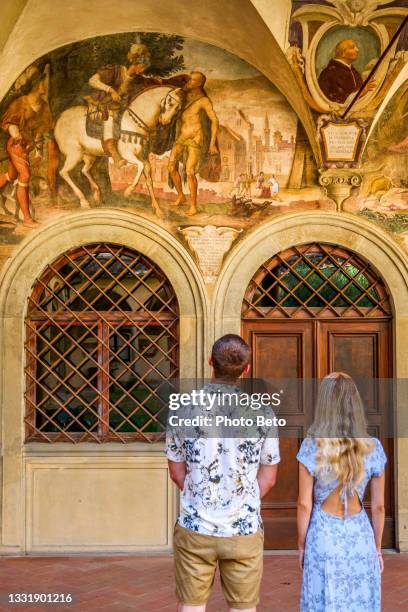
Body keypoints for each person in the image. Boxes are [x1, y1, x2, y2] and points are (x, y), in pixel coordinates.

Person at [166, 334, 280, 612]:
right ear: (247, 368)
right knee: (244, 609)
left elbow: (176, 471)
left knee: (191, 607)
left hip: (195, 527)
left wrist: (202, 495)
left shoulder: (182, 408)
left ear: (210, 363)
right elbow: (269, 477)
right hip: (244, 528)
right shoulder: (263, 412)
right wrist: (241, 498)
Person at [297, 372, 387, 612]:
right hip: (360, 535)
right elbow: (378, 507)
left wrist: (301, 545)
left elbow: (304, 505)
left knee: (323, 600)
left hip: (323, 535)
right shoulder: (373, 447)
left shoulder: (311, 445)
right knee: (360, 601)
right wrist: (377, 548)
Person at [86, 41, 187, 167]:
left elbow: (147, 86)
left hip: (120, 108)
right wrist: (110, 90)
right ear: (136, 64)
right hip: (103, 105)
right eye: (142, 67)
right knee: (110, 119)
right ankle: (115, 156)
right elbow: (92, 81)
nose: (142, 71)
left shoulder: (137, 78)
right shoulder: (115, 70)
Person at [0, 65, 57, 227]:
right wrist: (16, 134)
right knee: (24, 176)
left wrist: (38, 150)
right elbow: (10, 122)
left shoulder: (44, 107)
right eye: (41, 82)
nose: (44, 85)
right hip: (16, 144)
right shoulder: (21, 103)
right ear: (35, 85)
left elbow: (40, 132)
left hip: (28, 146)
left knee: (11, 176)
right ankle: (27, 219)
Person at [168, 71, 220, 216]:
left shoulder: (204, 100)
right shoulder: (184, 97)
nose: (189, 81)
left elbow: (215, 121)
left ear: (199, 84)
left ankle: (193, 206)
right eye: (190, 79)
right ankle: (180, 195)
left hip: (195, 139)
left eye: (192, 80)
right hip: (181, 137)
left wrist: (212, 144)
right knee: (171, 166)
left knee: (190, 171)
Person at [318, 39, 375, 104]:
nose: (357, 50)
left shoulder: (353, 71)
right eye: (352, 47)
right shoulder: (329, 73)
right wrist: (360, 93)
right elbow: (336, 102)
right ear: (343, 53)